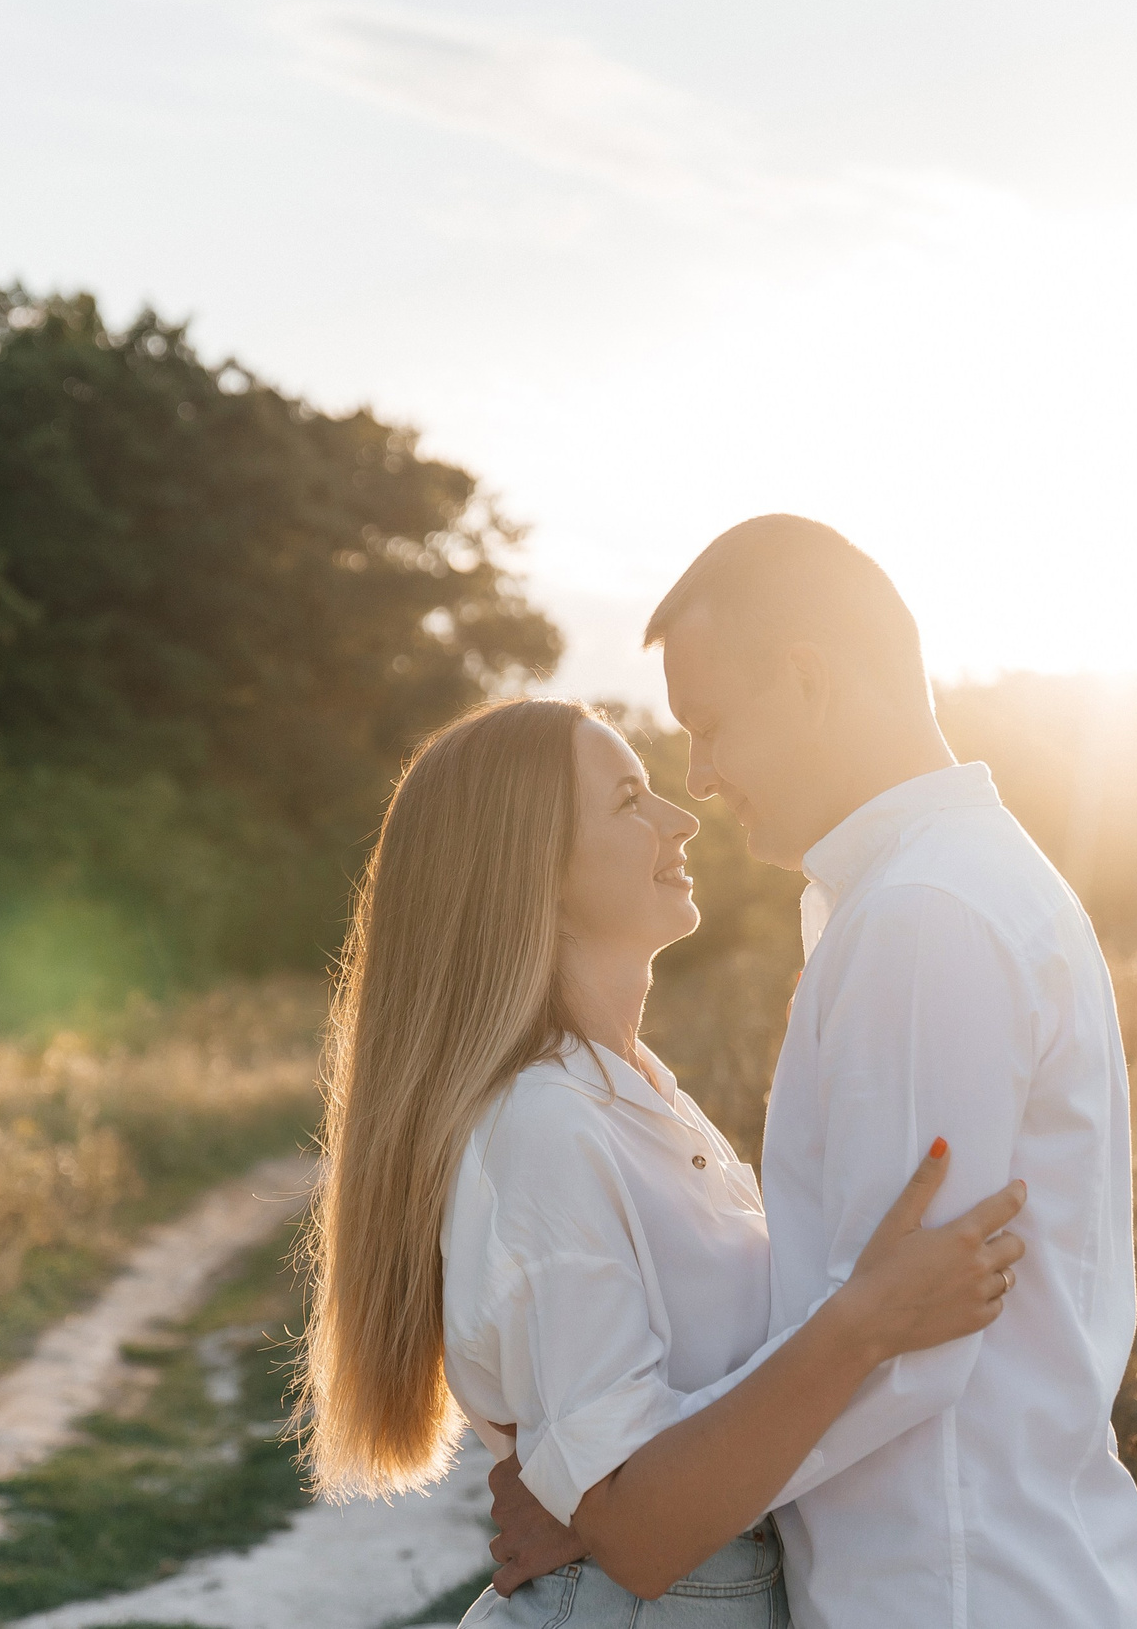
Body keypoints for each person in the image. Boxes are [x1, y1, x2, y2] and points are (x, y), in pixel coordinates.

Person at [487, 517, 1137, 1626]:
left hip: (949, 1589)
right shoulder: (935, 890)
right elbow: (864, 1311)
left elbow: (905, 1343)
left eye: (709, 727)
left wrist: (625, 1503)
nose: (700, 777)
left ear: (807, 680)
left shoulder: (923, 915)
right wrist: (606, 1479)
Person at [296, 695, 1031, 1624]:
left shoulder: (642, 1096)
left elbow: (640, 1475)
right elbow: (640, 1535)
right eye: (629, 799)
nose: (681, 817)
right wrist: (868, 1319)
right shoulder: (544, 1127)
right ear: (531, 869)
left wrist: (592, 1505)